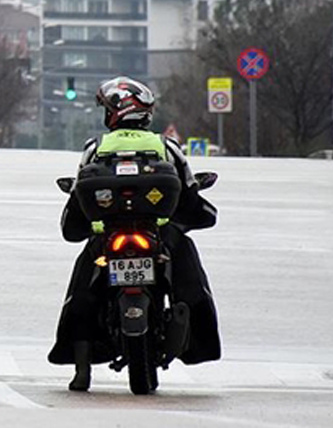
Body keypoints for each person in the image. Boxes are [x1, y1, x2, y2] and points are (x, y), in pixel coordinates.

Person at [49, 76, 221, 392]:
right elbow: (189, 191)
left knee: (82, 290)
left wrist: (79, 225)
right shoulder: (166, 146)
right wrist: (200, 213)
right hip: (160, 235)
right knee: (189, 279)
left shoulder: (95, 148)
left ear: (115, 112)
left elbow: (78, 200)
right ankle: (197, 344)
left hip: (106, 237)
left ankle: (81, 368)